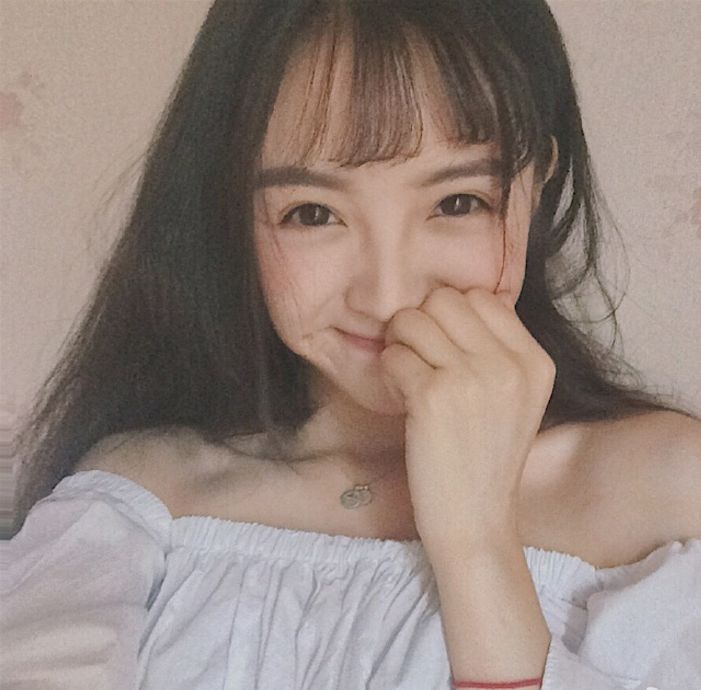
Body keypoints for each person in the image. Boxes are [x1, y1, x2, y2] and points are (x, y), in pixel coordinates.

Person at [2, 0, 700, 688]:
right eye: (313, 213)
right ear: (233, 211)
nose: (387, 295)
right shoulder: (141, 500)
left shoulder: (665, 496)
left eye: (456, 202)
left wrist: (477, 541)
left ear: (536, 184)